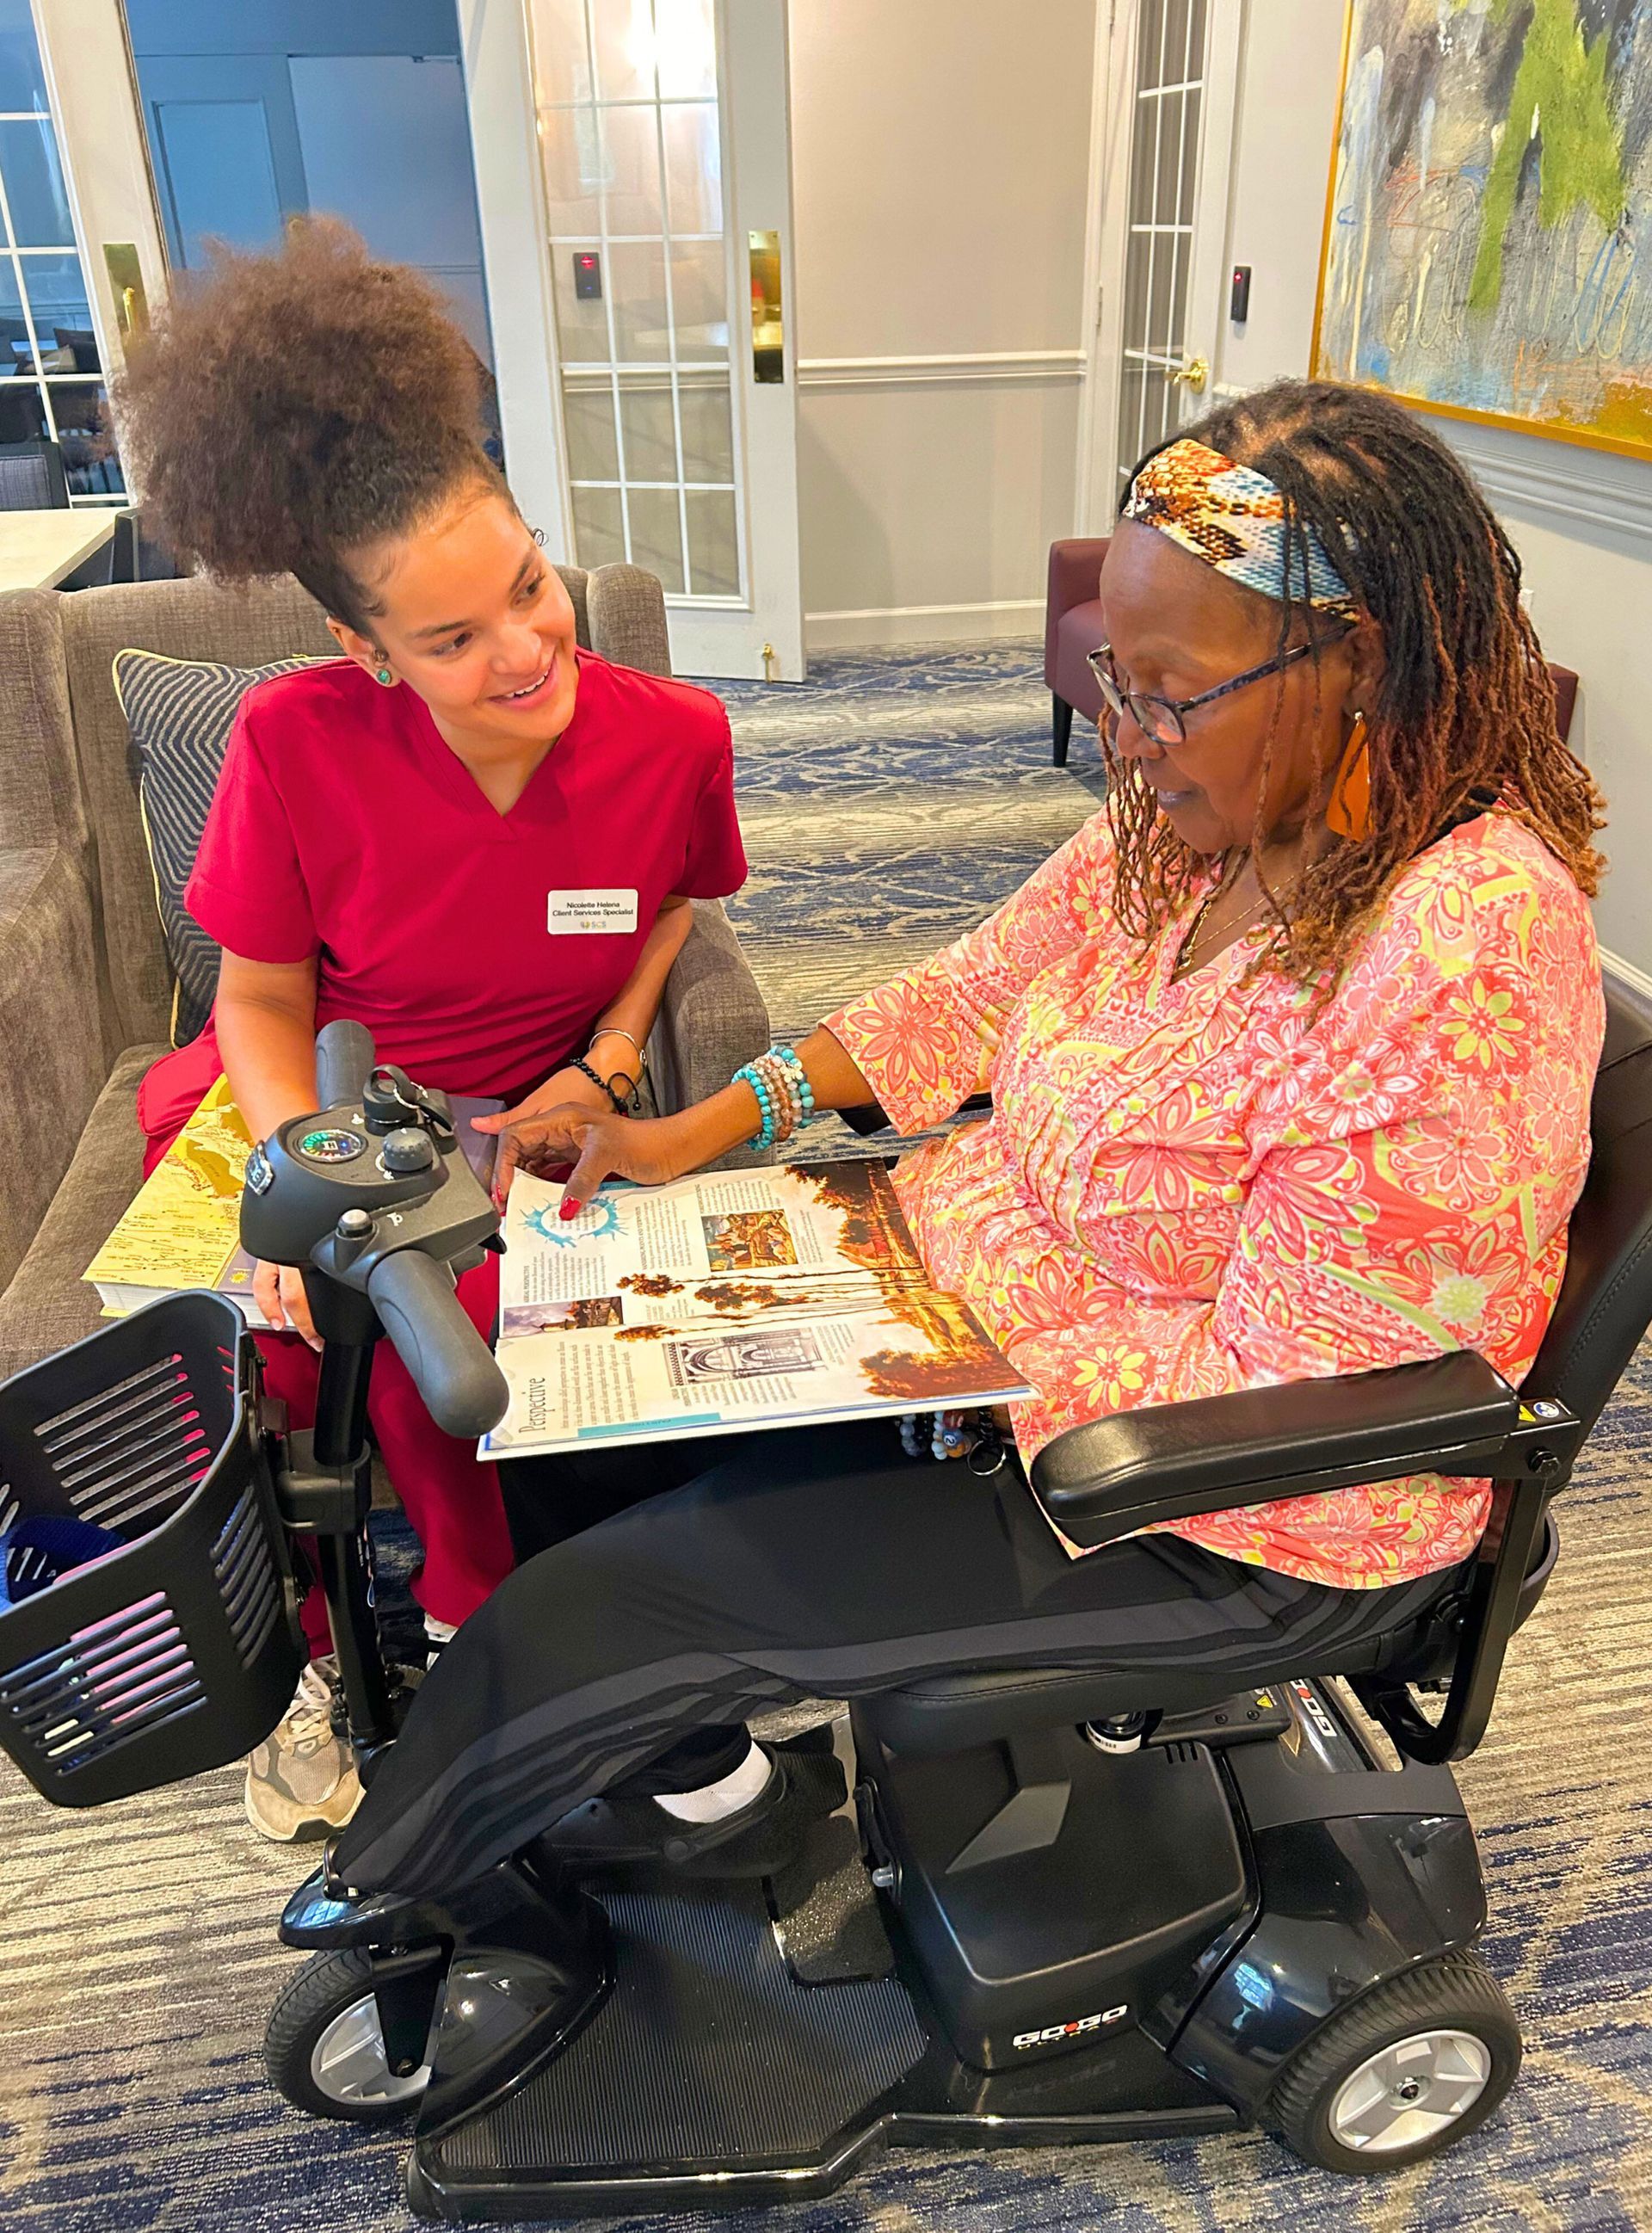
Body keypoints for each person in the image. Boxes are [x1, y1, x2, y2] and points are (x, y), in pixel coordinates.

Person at [327, 378, 1606, 1901]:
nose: (1126, 743)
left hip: (1207, 1508)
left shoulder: (1465, 951)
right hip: (966, 1330)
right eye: (1109, 684)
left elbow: (1296, 1387)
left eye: (1167, 694)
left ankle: (406, 1906)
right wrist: (688, 1140)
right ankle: (687, 1794)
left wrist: (909, 1363)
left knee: (601, 1616)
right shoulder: (1203, 823)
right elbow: (964, 999)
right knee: (573, 1417)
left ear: (1359, 662)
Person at [113, 222, 747, 1841]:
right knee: (298, 1339)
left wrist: (603, 1061)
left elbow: (674, 907)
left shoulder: (674, 737)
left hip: (541, 1109)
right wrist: (301, 1175)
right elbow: (254, 993)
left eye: (528, 588)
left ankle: (536, 1625)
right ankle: (355, 1649)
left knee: (537, 1341)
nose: (526, 652)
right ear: (363, 650)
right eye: (454, 641)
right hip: (338, 1100)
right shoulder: (294, 739)